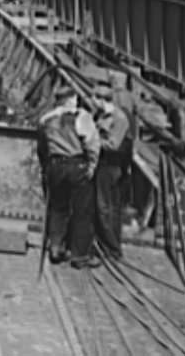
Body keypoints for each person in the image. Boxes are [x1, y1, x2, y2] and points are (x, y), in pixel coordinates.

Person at [37, 85, 101, 269]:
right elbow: (92, 143)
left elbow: (42, 148)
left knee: (58, 208)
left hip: (55, 166)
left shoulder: (45, 120)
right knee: (82, 210)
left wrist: (46, 168)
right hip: (76, 165)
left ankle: (55, 248)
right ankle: (79, 255)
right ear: (72, 99)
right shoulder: (81, 117)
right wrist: (92, 166)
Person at [93, 88, 133, 260]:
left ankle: (113, 248)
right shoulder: (101, 115)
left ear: (101, 99)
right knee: (104, 207)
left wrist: (92, 141)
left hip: (111, 166)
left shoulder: (119, 118)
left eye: (94, 98)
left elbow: (114, 144)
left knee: (105, 208)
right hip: (101, 164)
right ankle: (105, 244)